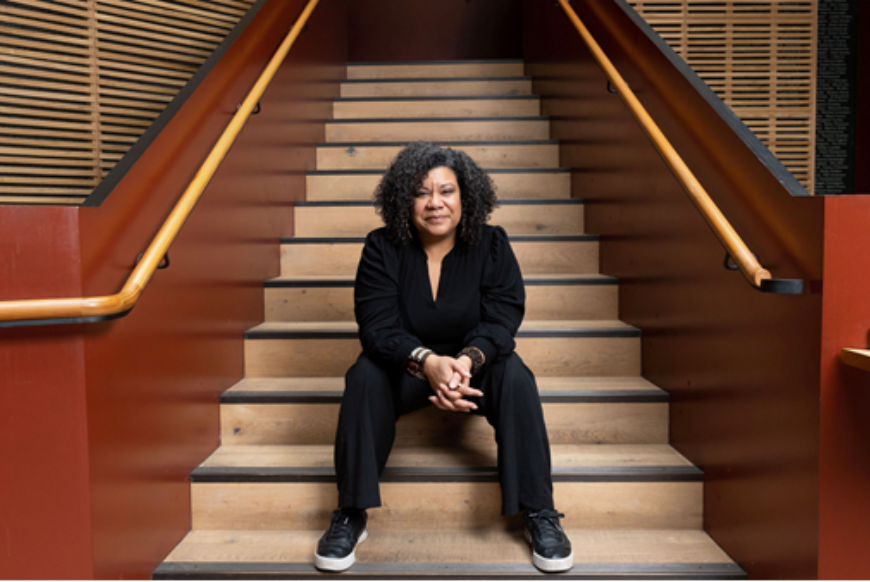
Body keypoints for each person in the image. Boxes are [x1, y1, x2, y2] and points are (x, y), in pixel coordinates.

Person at [313, 142, 573, 573]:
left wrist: (466, 361)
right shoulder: (381, 247)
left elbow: (502, 317)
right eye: (421, 192)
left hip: (476, 369)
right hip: (407, 369)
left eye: (446, 191)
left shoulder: (492, 244)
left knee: (517, 376)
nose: (435, 203)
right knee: (363, 374)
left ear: (466, 197)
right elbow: (377, 328)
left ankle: (539, 512)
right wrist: (427, 362)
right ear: (403, 200)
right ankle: (351, 511)